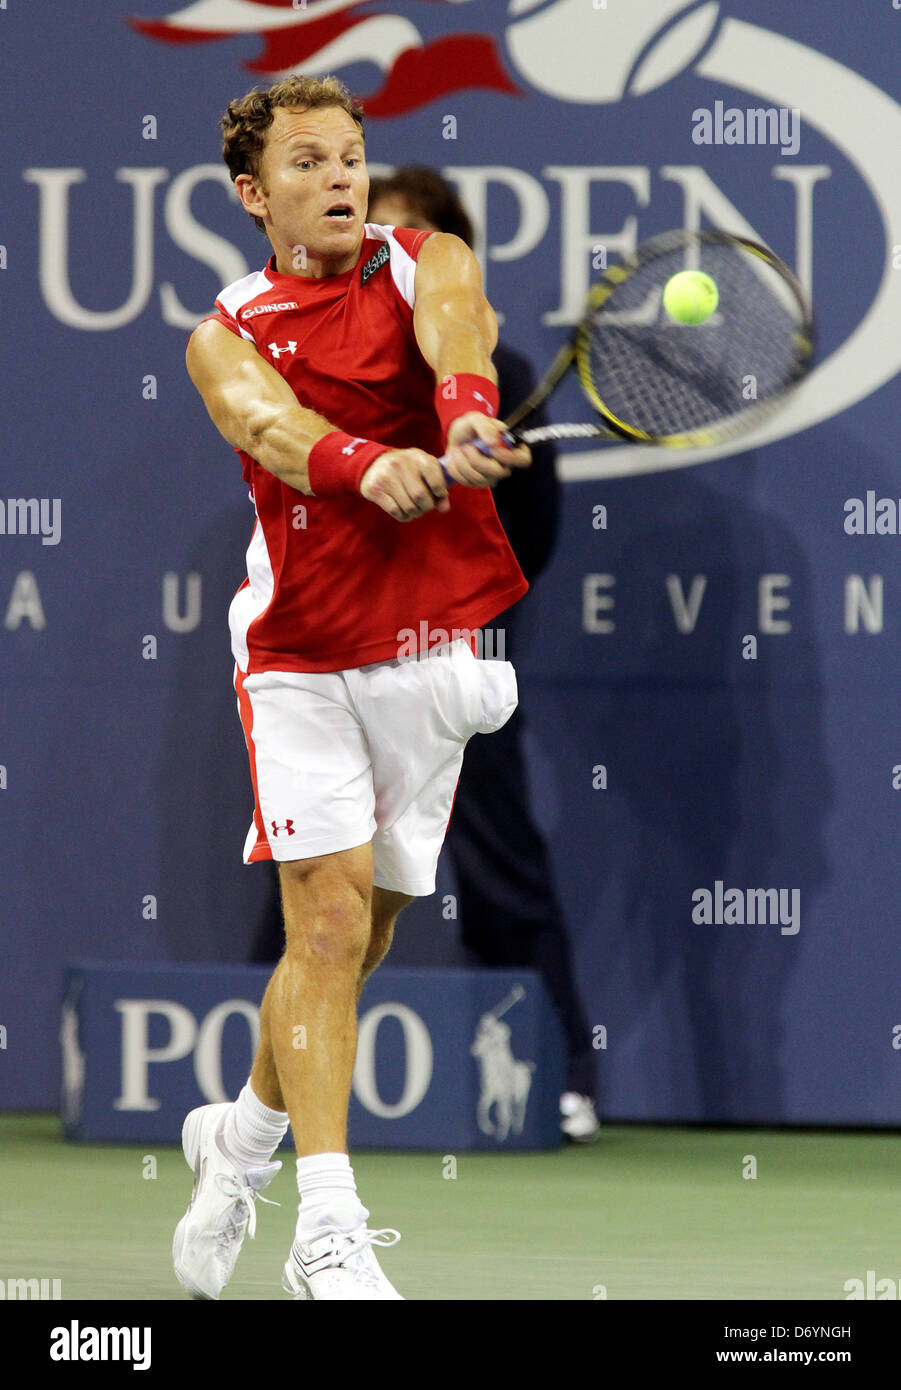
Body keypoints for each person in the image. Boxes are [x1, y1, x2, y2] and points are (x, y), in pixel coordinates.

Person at [172, 74, 531, 1302]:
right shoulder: (224, 330)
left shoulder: (428, 257)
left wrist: (468, 418)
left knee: (368, 932)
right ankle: (327, 1227)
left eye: (351, 156)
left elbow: (459, 339)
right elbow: (268, 428)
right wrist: (364, 465)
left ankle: (243, 1142)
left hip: (432, 650)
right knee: (321, 925)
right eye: (308, 161)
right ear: (251, 195)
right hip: (302, 655)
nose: (338, 178)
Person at [367, 169, 600, 1142]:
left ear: (450, 258)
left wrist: (463, 505)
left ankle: (561, 1078)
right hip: (339, 659)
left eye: (411, 238)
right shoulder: (323, 374)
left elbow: (528, 545)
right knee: (315, 886)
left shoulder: (492, 380)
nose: (389, 254)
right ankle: (278, 1085)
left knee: (504, 875)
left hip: (458, 667)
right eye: (375, 236)